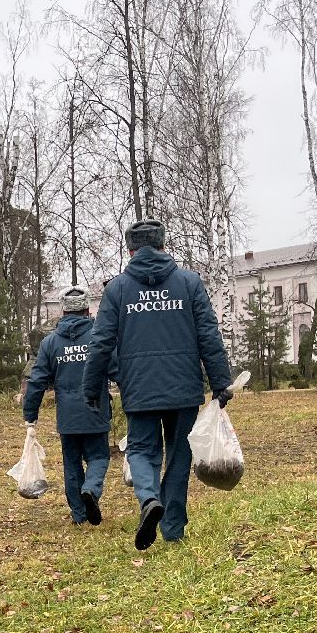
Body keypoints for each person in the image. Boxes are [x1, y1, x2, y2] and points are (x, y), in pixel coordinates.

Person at [82, 219, 234, 550]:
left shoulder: (118, 289)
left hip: (139, 388)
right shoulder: (189, 283)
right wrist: (221, 381)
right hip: (184, 389)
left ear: (130, 250)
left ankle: (149, 498)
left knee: (141, 449)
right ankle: (173, 526)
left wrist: (91, 388)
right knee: (180, 456)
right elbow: (208, 333)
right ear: (164, 246)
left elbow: (101, 343)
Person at [21, 284, 113, 525]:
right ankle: (91, 489)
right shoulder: (98, 338)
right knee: (99, 457)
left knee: (71, 465)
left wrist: (30, 416)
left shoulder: (50, 344)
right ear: (87, 310)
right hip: (96, 411)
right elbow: (117, 369)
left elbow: (37, 380)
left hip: (68, 416)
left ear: (62, 312)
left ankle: (79, 514)